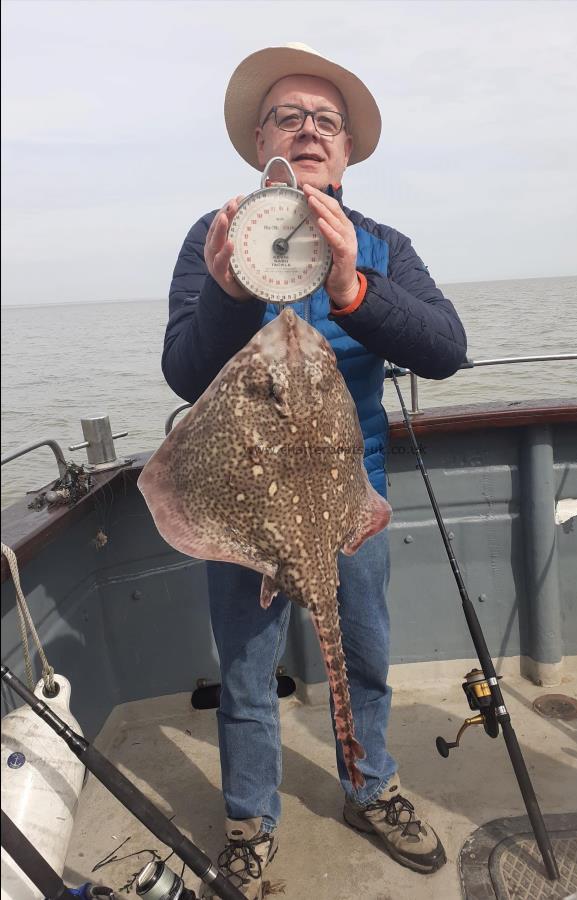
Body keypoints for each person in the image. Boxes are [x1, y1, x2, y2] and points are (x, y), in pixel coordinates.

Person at [162, 43, 467, 899]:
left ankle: (371, 787)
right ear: (259, 139)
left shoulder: (382, 243)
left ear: (345, 149)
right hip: (242, 501)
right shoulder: (214, 235)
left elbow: (446, 351)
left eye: (323, 121)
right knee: (249, 676)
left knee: (360, 657)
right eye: (287, 118)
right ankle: (251, 818)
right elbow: (185, 373)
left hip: (349, 496)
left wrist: (352, 286)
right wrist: (225, 289)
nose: (306, 131)